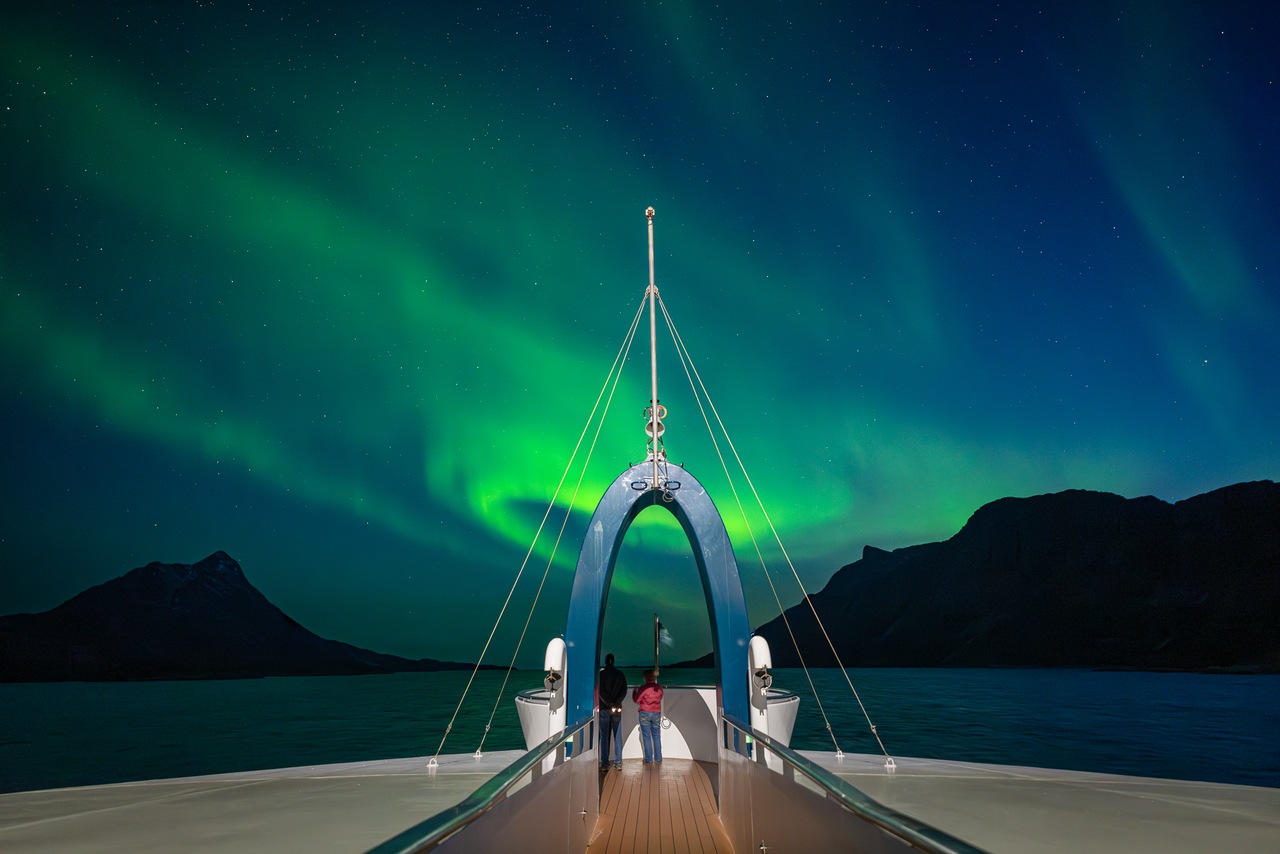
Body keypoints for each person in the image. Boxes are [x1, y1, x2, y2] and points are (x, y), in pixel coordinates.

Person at [598, 653, 627, 770]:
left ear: (605, 661)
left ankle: (605, 763)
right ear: (613, 661)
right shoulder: (620, 675)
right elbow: (623, 691)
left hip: (604, 708)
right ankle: (618, 762)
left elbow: (600, 691)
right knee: (617, 735)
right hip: (617, 708)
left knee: (604, 736)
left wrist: (609, 703)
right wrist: (615, 702)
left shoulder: (601, 675)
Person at [632, 669, 664, 764]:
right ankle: (658, 758)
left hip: (645, 712)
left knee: (646, 737)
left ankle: (649, 759)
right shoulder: (659, 688)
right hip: (656, 712)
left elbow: (637, 699)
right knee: (657, 736)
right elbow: (660, 697)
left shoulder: (643, 688)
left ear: (645, 677)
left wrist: (634, 691)